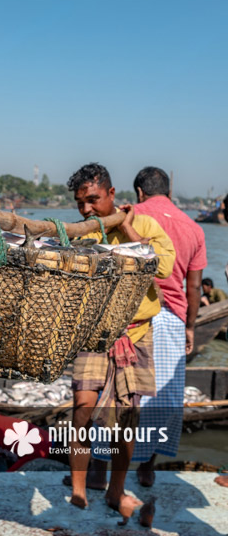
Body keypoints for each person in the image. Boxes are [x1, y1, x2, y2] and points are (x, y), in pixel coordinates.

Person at [65, 163, 175, 517]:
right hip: (94, 335)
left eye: (93, 200)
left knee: (126, 420)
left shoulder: (144, 225)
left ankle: (115, 490)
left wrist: (126, 229)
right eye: (80, 203)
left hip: (136, 335)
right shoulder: (83, 234)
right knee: (82, 409)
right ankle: (79, 491)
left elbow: (164, 267)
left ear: (112, 194)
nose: (86, 210)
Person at [113, 167, 208, 488]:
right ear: (168, 190)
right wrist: (190, 328)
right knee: (160, 399)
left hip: (131, 312)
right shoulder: (193, 227)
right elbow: (193, 287)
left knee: (118, 391)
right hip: (171, 317)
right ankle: (146, 467)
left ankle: (106, 465)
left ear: (139, 192)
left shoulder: (128, 216)